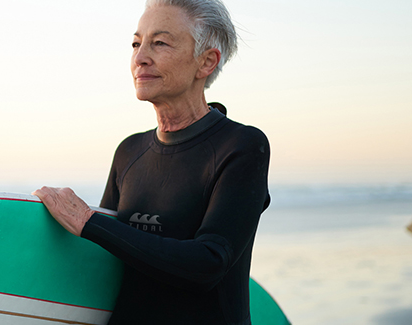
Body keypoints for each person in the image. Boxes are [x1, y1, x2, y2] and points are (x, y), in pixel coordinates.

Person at [32, 0, 270, 324]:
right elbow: (105, 261)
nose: (140, 58)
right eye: (136, 43)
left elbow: (208, 264)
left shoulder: (241, 146)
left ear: (206, 62)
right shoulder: (130, 151)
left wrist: (88, 220)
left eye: (159, 43)